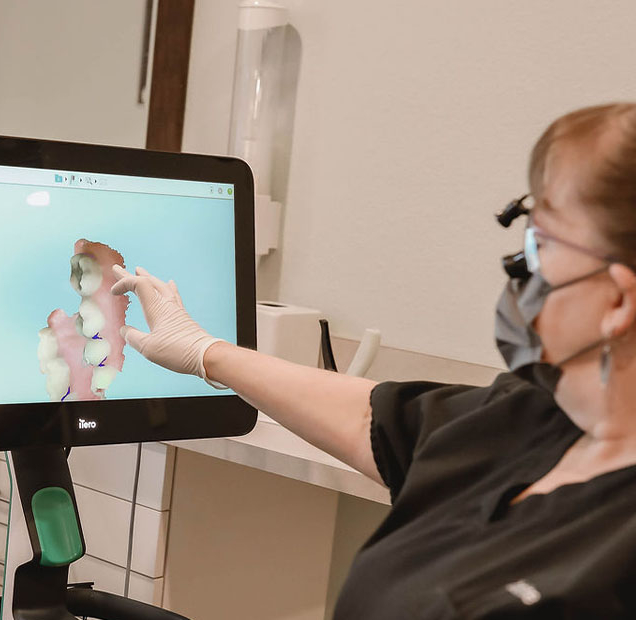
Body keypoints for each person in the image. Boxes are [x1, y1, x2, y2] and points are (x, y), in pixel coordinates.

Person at [109, 103, 636, 619]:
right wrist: (205, 351)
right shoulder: (532, 419)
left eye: (540, 245)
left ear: (617, 301)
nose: (519, 269)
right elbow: (374, 418)